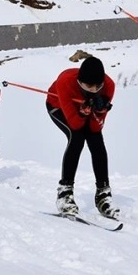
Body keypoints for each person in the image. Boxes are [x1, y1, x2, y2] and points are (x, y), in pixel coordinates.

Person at [46, 56, 117, 218]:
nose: (93, 90)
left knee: (96, 139)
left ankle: (103, 194)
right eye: (88, 86)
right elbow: (76, 124)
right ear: (79, 81)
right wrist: (83, 111)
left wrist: (99, 111)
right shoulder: (65, 81)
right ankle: (65, 192)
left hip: (84, 111)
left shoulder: (109, 86)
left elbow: (94, 127)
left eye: (97, 86)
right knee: (76, 137)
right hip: (57, 106)